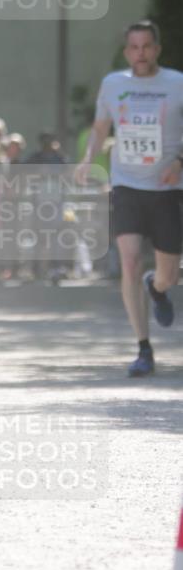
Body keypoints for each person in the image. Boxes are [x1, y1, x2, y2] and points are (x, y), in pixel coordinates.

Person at [77, 20, 183, 376]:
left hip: (167, 189)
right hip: (127, 187)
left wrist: (180, 162)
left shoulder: (177, 84)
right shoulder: (113, 85)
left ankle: (158, 286)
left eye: (147, 46)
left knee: (167, 273)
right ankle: (143, 348)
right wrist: (89, 159)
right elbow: (100, 128)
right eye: (134, 47)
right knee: (131, 261)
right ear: (126, 52)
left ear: (157, 49)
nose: (140, 54)